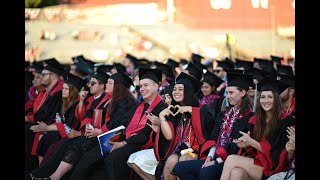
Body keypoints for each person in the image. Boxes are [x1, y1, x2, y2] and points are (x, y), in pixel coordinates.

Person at [30, 71, 138, 180]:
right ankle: (47, 174)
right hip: (97, 133)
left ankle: (54, 177)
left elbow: (117, 121)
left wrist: (99, 131)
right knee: (67, 144)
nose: (106, 85)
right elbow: (89, 112)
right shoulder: (108, 98)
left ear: (118, 86)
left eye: (110, 83)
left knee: (80, 148)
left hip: (110, 138)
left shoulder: (126, 102)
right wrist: (87, 124)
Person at [68, 68, 167, 180]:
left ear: (156, 86)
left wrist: (123, 143)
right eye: (141, 86)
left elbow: (145, 135)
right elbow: (124, 123)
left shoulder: (161, 108)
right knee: (91, 153)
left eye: (146, 85)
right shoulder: (140, 106)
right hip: (126, 139)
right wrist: (110, 137)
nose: (142, 89)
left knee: (112, 158)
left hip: (142, 144)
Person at [172, 72, 255, 180]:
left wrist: (215, 162)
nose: (227, 96)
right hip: (215, 157)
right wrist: (210, 157)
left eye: (231, 93)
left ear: (243, 92)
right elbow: (214, 138)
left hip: (230, 160)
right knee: (179, 168)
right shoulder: (223, 114)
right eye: (227, 92)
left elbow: (234, 147)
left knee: (206, 172)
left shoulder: (248, 117)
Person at [148, 72, 215, 180]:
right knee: (171, 160)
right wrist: (162, 117)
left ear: (188, 92)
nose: (176, 92)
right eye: (174, 89)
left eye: (180, 89)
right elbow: (169, 136)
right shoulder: (173, 111)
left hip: (199, 151)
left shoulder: (203, 109)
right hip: (179, 150)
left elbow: (208, 127)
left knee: (184, 160)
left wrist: (189, 109)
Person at [219, 77, 289, 180]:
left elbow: (277, 153)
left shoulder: (285, 122)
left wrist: (252, 142)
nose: (265, 101)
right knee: (236, 173)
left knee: (231, 160)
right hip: (257, 162)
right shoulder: (255, 120)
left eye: (270, 97)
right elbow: (252, 150)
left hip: (273, 167)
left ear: (276, 99)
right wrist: (246, 145)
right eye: (263, 97)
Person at [25, 63, 65, 174]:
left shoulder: (58, 92)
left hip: (55, 126)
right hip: (48, 124)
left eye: (43, 75)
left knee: (29, 132)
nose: (40, 77)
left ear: (52, 76)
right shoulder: (50, 90)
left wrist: (31, 120)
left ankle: (34, 171)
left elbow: (47, 116)